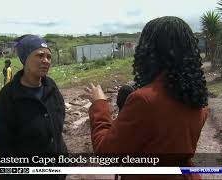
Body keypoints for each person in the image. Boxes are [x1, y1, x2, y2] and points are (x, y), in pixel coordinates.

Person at [84, 16, 210, 180]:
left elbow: (107, 154)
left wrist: (99, 104)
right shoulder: (196, 96)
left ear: (149, 51)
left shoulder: (144, 100)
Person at [0, 34, 67, 180]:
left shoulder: (51, 88)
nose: (45, 61)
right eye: (39, 55)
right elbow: (1, 147)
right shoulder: (9, 96)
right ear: (25, 58)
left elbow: (58, 131)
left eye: (48, 57)